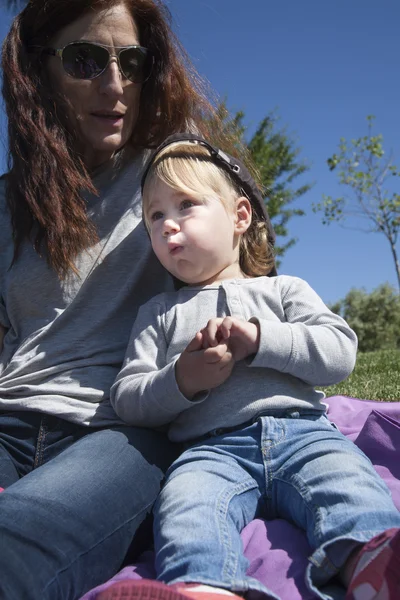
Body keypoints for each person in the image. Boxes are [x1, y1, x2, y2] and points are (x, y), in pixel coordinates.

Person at [0, 2, 231, 599]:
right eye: (85, 60)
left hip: (121, 427)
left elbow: (243, 270)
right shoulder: (7, 204)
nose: (115, 84)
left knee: (17, 541)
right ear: (36, 72)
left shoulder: (174, 173)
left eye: (132, 62)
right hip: (8, 416)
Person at [108, 133, 400, 600]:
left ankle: (376, 560)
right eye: (154, 216)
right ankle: (203, 585)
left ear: (240, 216)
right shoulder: (158, 314)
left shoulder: (283, 290)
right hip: (208, 450)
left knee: (347, 483)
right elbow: (127, 397)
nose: (167, 226)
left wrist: (264, 339)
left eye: (185, 205)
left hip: (302, 432)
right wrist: (182, 379)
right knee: (187, 507)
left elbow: (339, 352)